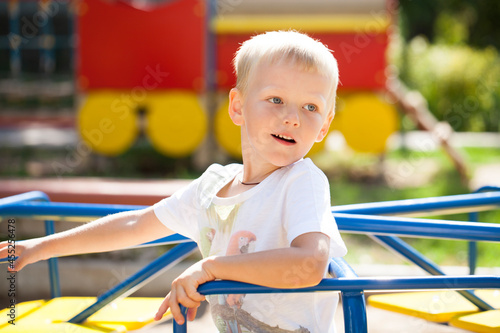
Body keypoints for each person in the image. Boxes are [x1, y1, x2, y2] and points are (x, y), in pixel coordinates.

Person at [0, 30, 347, 332]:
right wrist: (41, 247)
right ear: (238, 107)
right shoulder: (213, 187)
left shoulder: (301, 182)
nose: (292, 118)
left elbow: (308, 265)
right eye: (275, 100)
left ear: (325, 125)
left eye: (311, 108)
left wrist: (210, 269)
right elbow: (137, 224)